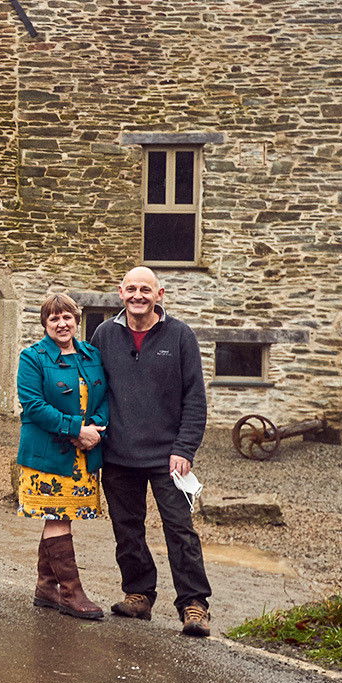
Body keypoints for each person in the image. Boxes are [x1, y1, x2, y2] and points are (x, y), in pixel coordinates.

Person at [89, 266, 213, 637]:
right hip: (118, 454)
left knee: (180, 530)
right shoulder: (104, 334)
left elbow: (195, 398)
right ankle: (139, 594)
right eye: (131, 289)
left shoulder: (180, 336)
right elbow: (93, 387)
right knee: (127, 529)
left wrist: (184, 448)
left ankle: (194, 605)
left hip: (168, 457)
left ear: (160, 294)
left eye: (145, 289)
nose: (137, 295)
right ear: (120, 292)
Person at [15, 293, 110, 620]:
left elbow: (104, 397)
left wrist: (96, 428)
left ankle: (45, 587)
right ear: (45, 323)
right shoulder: (32, 357)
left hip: (84, 453)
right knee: (58, 517)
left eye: (67, 316)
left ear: (77, 320)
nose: (61, 323)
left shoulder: (90, 354)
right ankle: (70, 593)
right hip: (48, 455)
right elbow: (33, 406)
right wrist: (75, 430)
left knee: (60, 518)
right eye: (53, 318)